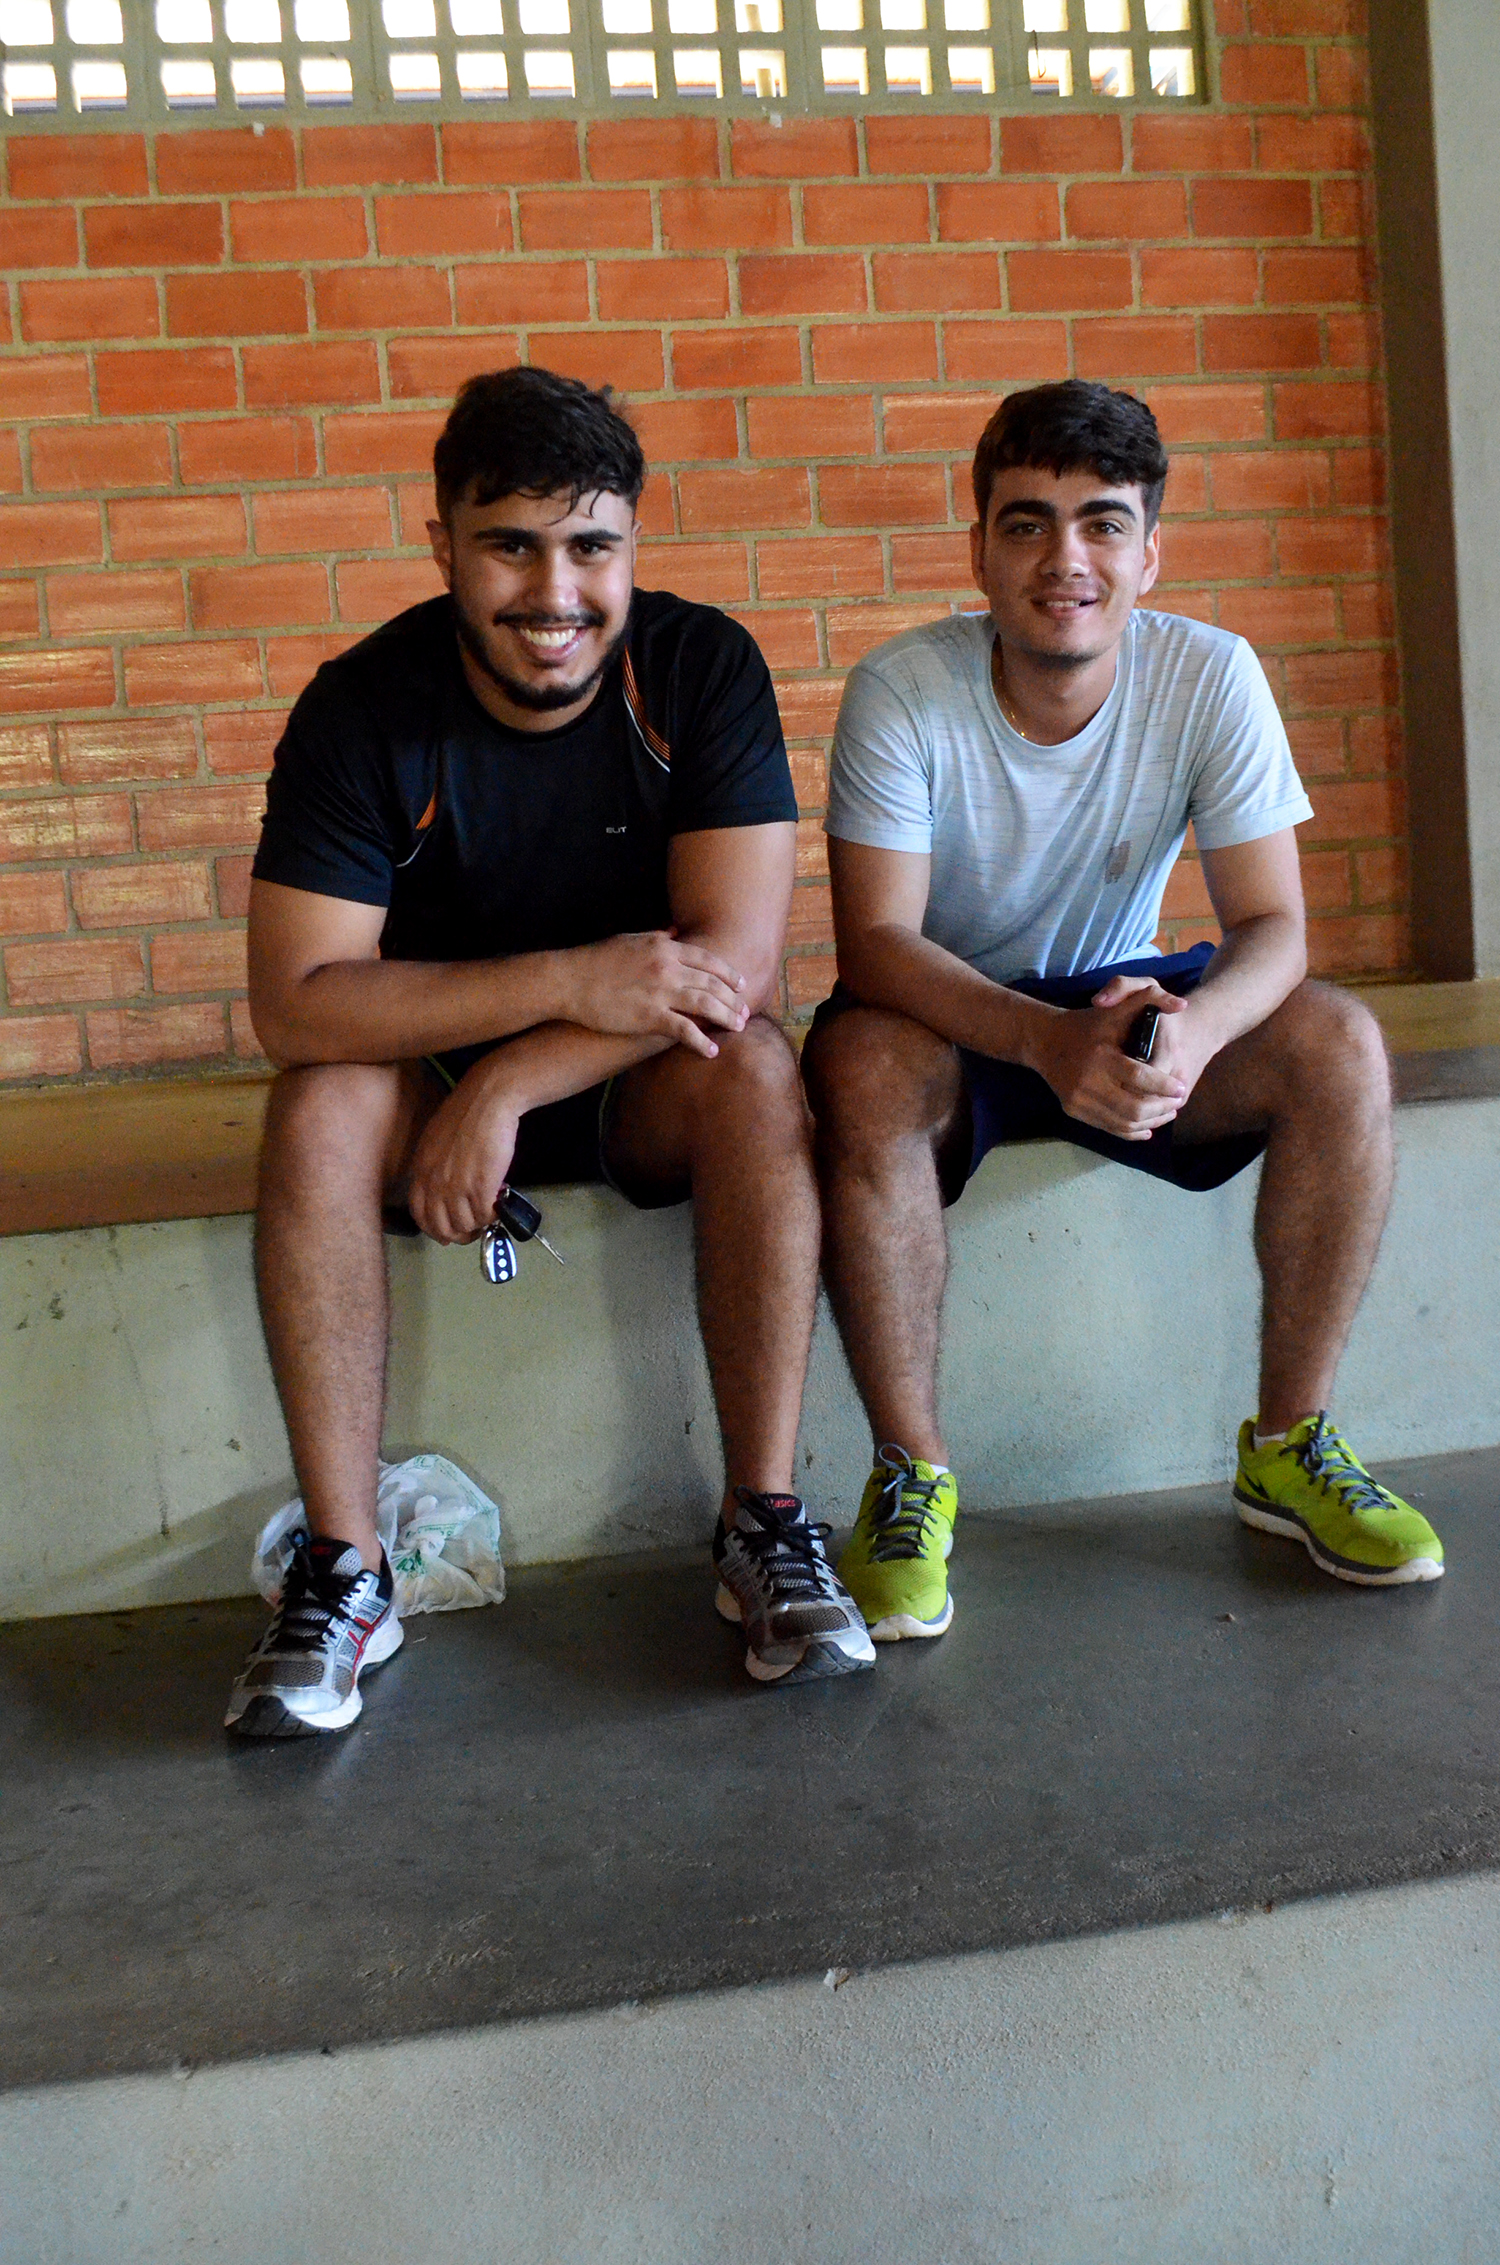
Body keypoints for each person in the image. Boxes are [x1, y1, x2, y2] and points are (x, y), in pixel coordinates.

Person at [226, 366, 873, 1737]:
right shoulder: (362, 706)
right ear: (443, 546)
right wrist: (564, 986)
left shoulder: (700, 668)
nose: (555, 590)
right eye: (510, 546)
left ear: (633, 544)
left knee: (758, 1064)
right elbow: (296, 1006)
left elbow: (734, 972)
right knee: (318, 1107)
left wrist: (518, 1078)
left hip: (643, 1075)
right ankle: (346, 1570)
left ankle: (763, 1522)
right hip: (432, 1080)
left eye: (590, 546)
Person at [801, 378, 1443, 1645]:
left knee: (1340, 1042)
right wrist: (1039, 1039)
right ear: (978, 549)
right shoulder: (902, 690)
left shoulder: (1210, 673)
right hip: (953, 1017)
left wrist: (1194, 1033)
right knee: (861, 1068)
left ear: (1150, 553)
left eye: (1102, 523)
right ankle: (912, 1477)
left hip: (1126, 996)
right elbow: (875, 946)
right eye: (1027, 523)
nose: (1066, 560)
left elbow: (1275, 926)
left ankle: (1289, 1445)